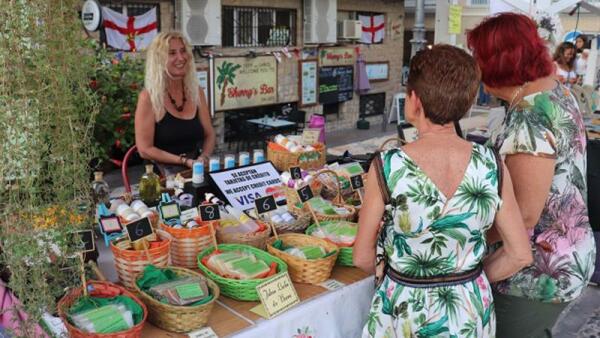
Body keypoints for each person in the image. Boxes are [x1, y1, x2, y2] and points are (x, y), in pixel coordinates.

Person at [354, 45, 532, 338]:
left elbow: (362, 256)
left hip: (405, 311)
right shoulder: (492, 163)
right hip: (470, 310)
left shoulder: (387, 166)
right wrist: (465, 282)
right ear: (467, 102)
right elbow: (520, 254)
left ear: (414, 100)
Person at [468, 13, 596, 338]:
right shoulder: (552, 90)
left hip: (534, 273)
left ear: (498, 63)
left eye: (477, 57)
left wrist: (464, 239)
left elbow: (524, 213)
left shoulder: (530, 115)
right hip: (563, 253)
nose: (474, 66)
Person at [134, 31, 215, 175]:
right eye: (172, 53)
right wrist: (184, 161)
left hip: (194, 171)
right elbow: (144, 150)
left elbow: (210, 134)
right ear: (158, 60)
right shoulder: (149, 98)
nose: (181, 57)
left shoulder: (196, 92)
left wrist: (204, 156)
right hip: (161, 179)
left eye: (183, 51)